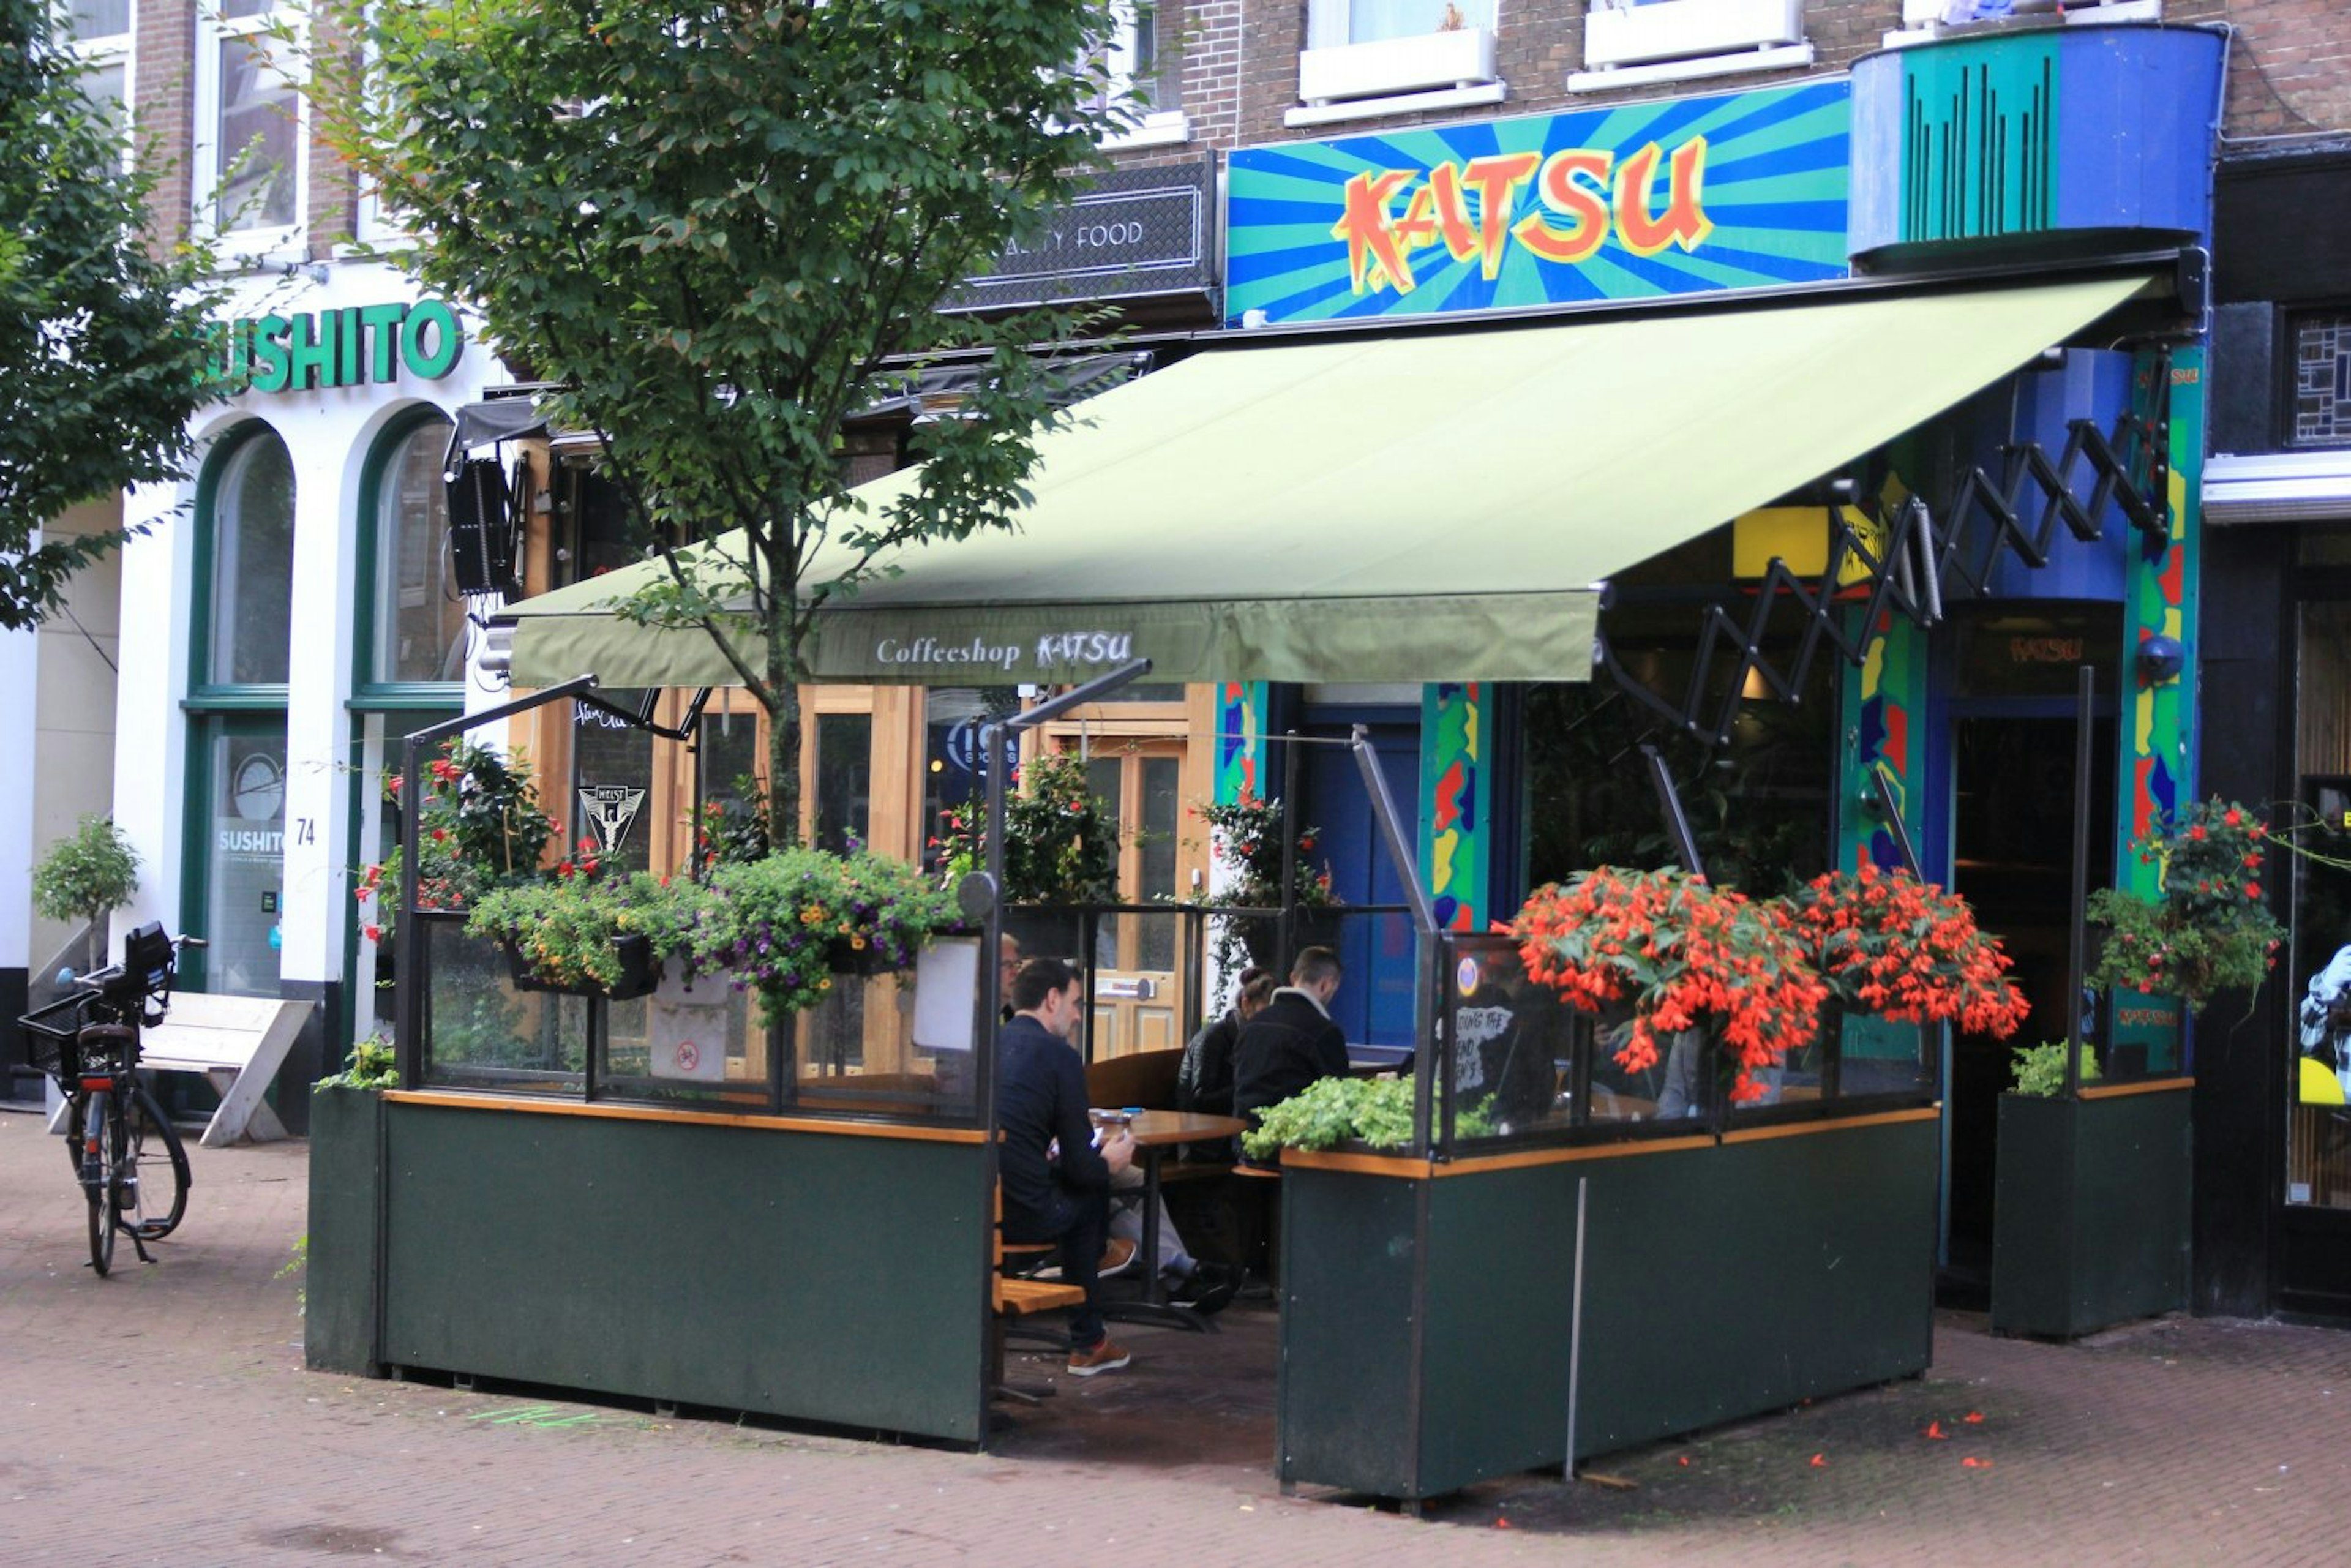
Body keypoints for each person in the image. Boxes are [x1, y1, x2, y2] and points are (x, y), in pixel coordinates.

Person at [996, 956, 1135, 1375]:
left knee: (1077, 1186)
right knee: (1091, 1194)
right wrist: (1110, 1161)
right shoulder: (1059, 1056)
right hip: (1025, 1215)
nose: (1077, 1016)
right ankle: (1088, 1340)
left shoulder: (989, 1042)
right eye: (1076, 1003)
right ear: (1052, 999)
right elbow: (1081, 1165)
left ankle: (1103, 1259)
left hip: (978, 1208)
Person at [1232, 947, 1349, 1157]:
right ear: (1327, 984)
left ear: (1294, 977)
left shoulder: (1253, 1025)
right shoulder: (1325, 1032)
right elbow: (1339, 1098)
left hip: (1246, 1144)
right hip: (1295, 1151)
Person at [1177, 965, 1275, 1161]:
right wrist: (1248, 1086)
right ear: (1246, 1004)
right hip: (1207, 1141)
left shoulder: (1258, 1038)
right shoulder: (1215, 1037)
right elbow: (1200, 1100)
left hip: (1236, 1132)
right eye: (1264, 1012)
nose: (1268, 1020)